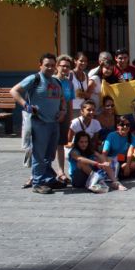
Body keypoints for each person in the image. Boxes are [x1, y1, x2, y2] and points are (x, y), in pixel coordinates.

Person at [10, 54, 68, 194]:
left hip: (53, 123)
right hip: (39, 122)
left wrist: (63, 111)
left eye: (52, 65)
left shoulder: (56, 82)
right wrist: (26, 105)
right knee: (39, 154)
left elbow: (62, 99)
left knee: (49, 155)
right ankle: (38, 183)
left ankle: (48, 179)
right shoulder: (34, 79)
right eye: (47, 65)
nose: (50, 68)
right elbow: (14, 91)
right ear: (40, 65)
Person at [54, 54, 74, 184]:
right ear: (57, 66)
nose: (65, 69)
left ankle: (61, 171)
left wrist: (70, 118)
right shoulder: (52, 80)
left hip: (65, 116)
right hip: (52, 114)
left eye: (67, 66)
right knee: (48, 144)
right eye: (63, 66)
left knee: (61, 144)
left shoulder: (69, 83)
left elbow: (70, 102)